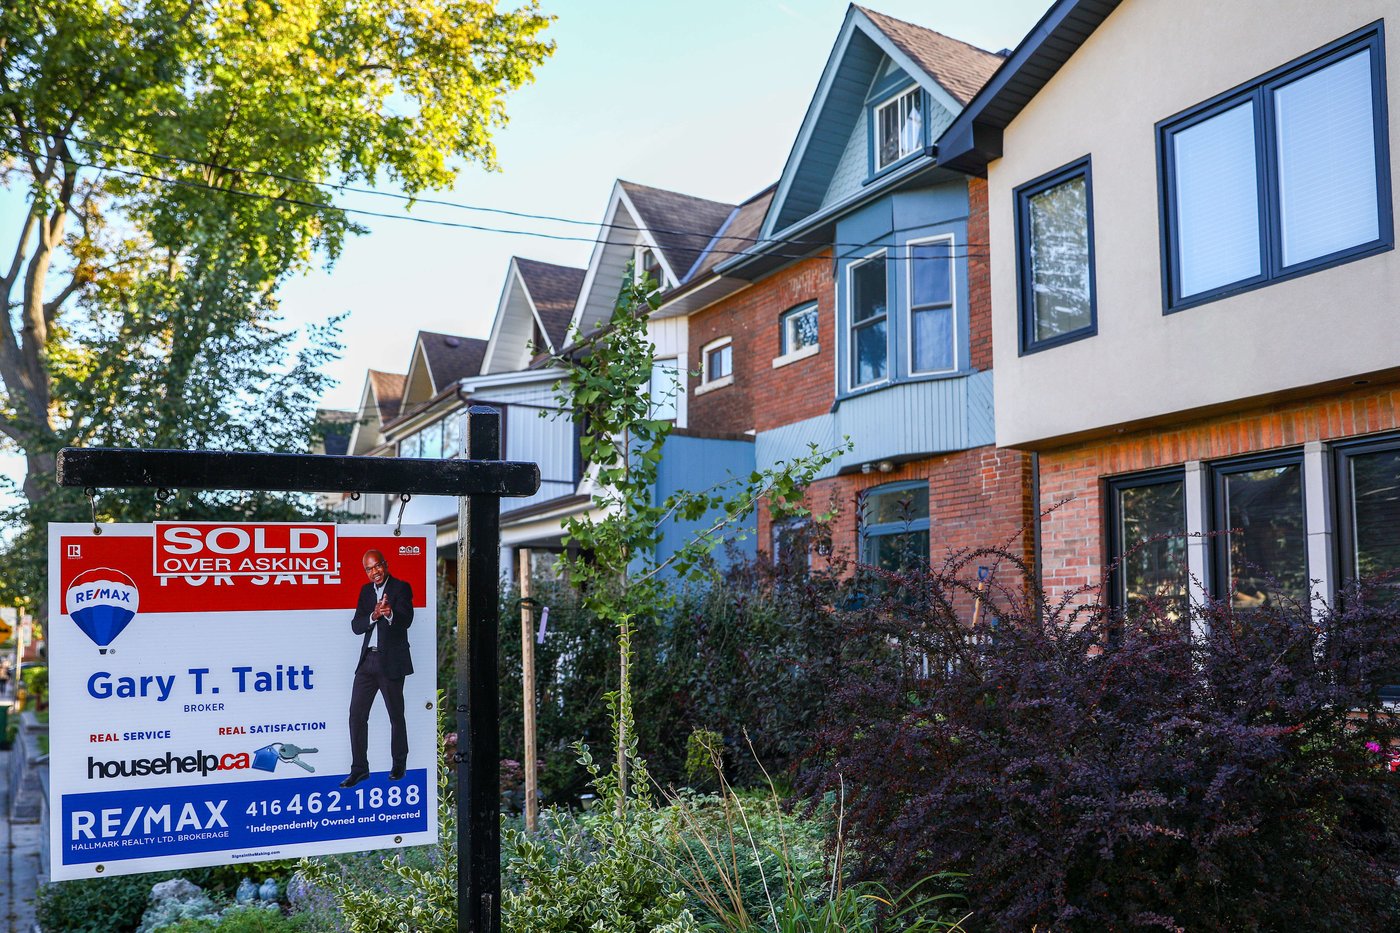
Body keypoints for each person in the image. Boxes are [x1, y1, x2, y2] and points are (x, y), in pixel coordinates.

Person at [342, 549, 415, 787]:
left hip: (391, 662)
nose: (375, 572)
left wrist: (390, 613)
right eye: (369, 569)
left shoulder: (401, 588)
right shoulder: (365, 591)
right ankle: (360, 769)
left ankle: (399, 764)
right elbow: (356, 626)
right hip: (367, 661)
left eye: (377, 566)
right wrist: (373, 616)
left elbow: (407, 620)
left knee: (396, 715)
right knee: (356, 716)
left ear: (385, 564)